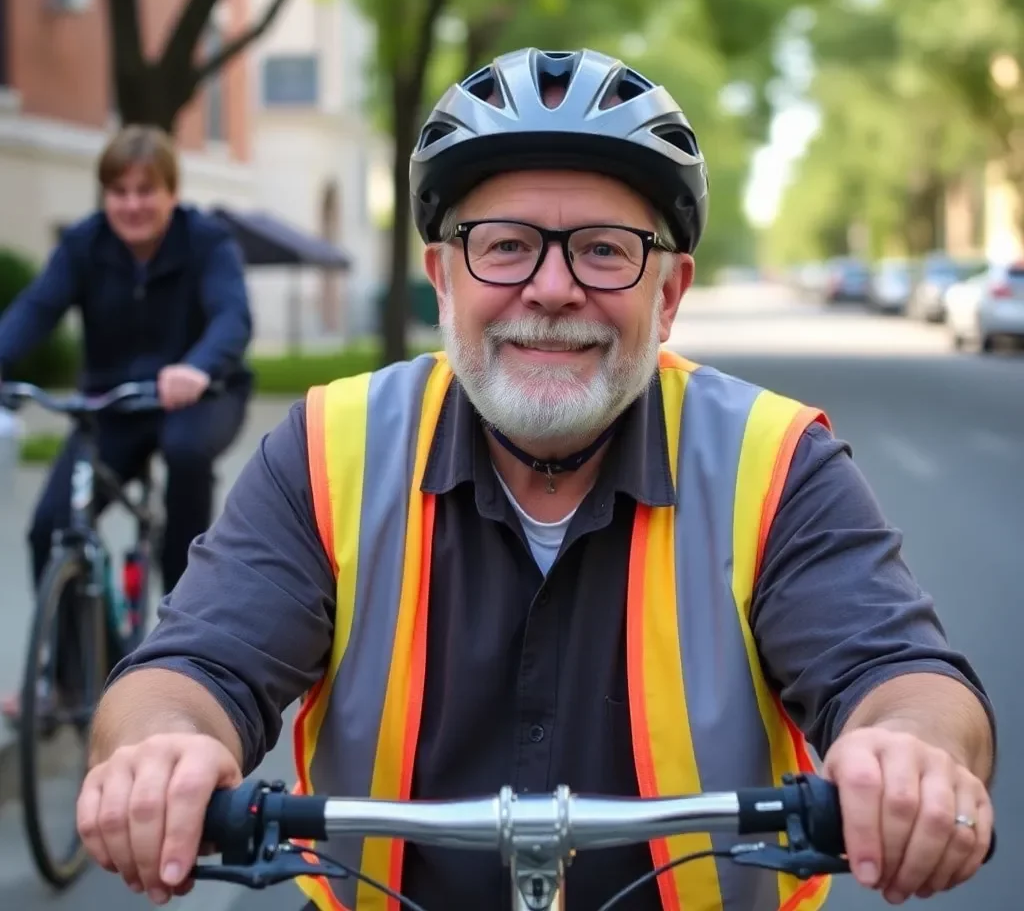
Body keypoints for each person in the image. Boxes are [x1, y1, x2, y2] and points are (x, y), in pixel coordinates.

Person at [77, 50, 995, 911]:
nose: (552, 290)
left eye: (602, 250)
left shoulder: (777, 459)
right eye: (507, 245)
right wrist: (164, 748)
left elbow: (900, 677)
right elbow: (193, 667)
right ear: (442, 279)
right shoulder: (328, 448)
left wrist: (908, 754)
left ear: (667, 296)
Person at [0, 125, 253, 718]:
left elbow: (231, 319)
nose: (133, 204)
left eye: (147, 190)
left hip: (200, 394)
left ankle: (182, 631)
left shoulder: (206, 241)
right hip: (115, 403)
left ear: (171, 193)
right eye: (119, 191)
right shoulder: (85, 244)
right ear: (104, 195)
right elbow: (36, 309)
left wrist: (196, 365)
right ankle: (69, 677)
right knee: (51, 525)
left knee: (187, 456)